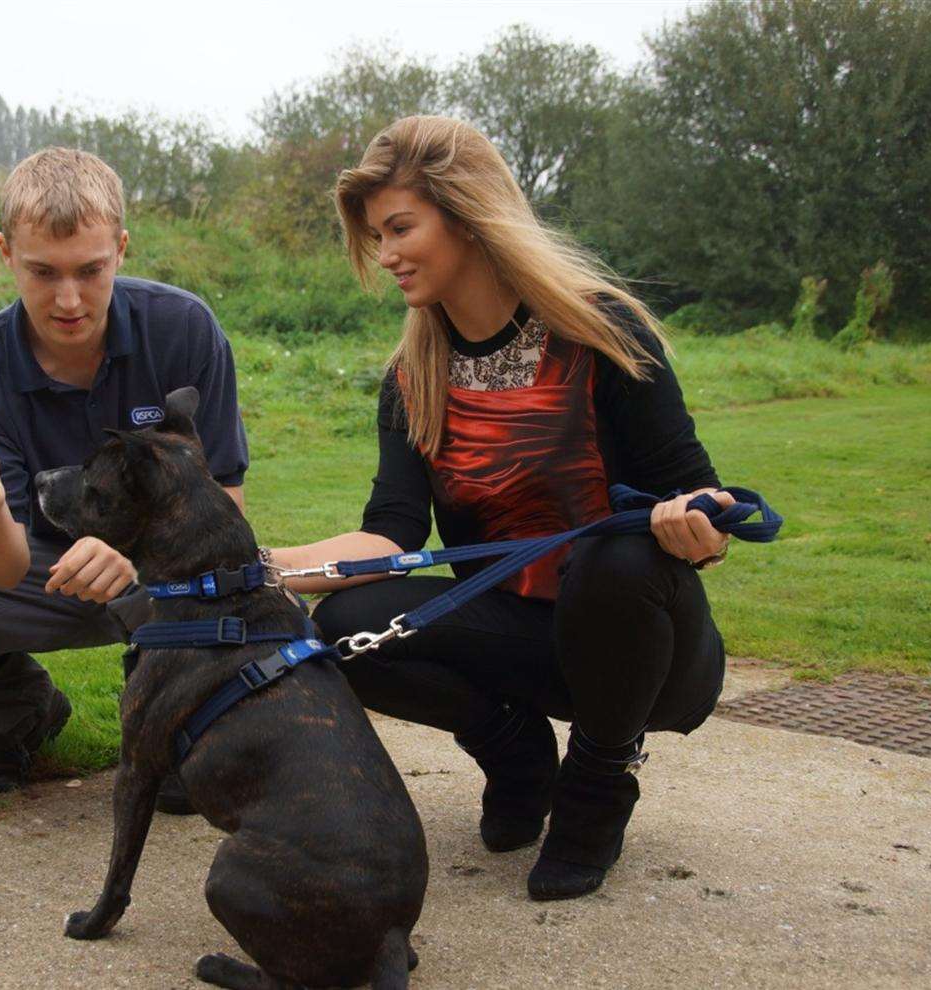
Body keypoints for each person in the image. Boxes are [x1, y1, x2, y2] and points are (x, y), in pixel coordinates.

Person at [264, 116, 735, 901]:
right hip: (521, 637)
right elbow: (389, 535)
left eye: (400, 228)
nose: (385, 256)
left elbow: (698, 499)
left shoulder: (602, 333)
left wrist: (696, 524)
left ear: (469, 216)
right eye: (376, 236)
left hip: (647, 655)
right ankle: (514, 752)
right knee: (346, 629)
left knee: (616, 554)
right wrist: (249, 569)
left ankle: (597, 783)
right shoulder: (411, 378)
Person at [0, 148, 248, 797]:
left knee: (230, 597)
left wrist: (137, 550)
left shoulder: (183, 330)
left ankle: (177, 721)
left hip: (166, 572)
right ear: (6, 253)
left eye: (90, 270)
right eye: (42, 272)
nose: (68, 299)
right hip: (38, 564)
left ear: (120, 249)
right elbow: (2, 570)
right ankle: (17, 719)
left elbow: (225, 502)